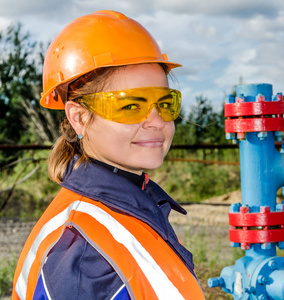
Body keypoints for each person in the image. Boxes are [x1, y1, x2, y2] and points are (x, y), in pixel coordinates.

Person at [12, 10, 204, 300]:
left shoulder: (128, 206)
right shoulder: (85, 258)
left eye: (165, 103)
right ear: (79, 118)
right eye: (129, 106)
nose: (156, 121)